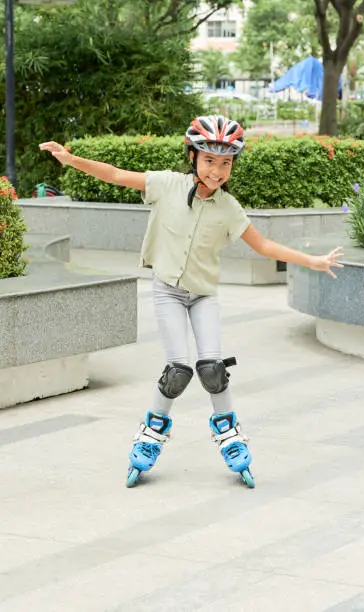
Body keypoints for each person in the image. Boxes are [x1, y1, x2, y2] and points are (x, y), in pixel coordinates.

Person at [40, 115, 344, 489]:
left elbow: (262, 246)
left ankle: (231, 437)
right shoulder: (167, 185)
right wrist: (71, 160)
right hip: (167, 290)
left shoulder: (229, 208)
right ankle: (150, 437)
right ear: (193, 157)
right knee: (179, 370)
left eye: (226, 163)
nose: (217, 171)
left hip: (203, 295)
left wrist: (311, 260)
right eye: (209, 160)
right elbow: (117, 175)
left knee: (213, 369)